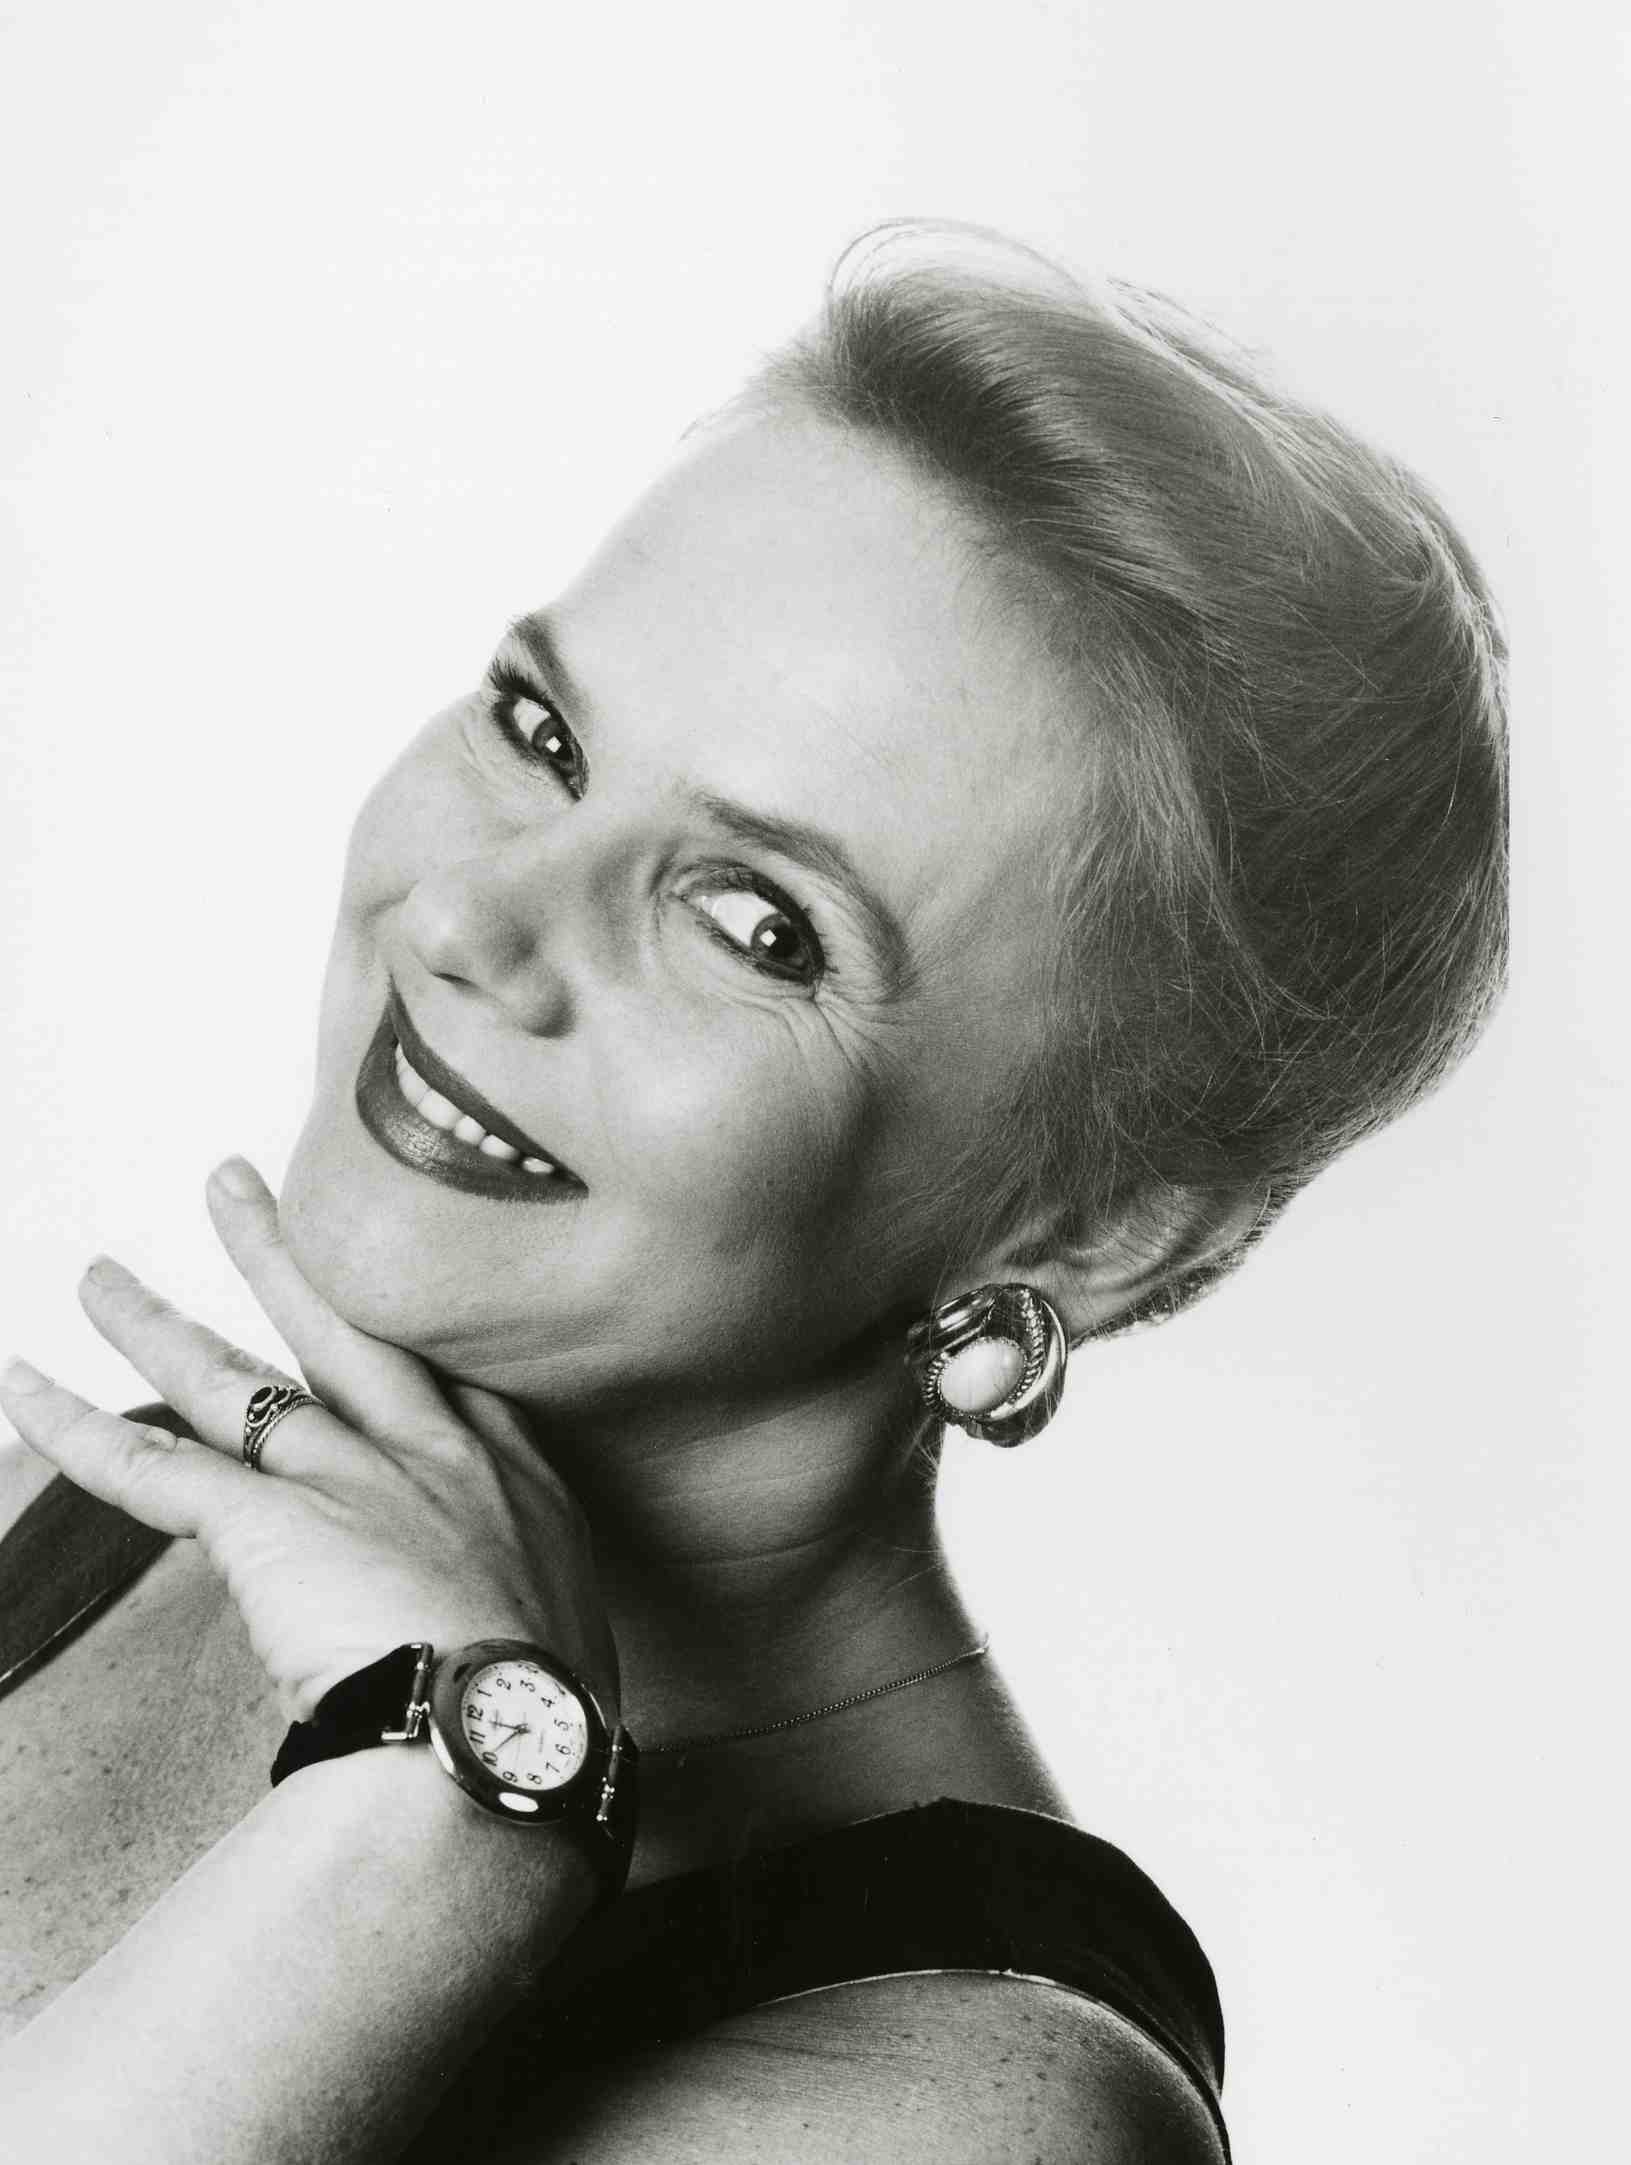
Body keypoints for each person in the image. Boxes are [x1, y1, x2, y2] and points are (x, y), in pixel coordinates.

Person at [0, 225, 1506, 2162]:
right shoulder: (84, 1518)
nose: (467, 921)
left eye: (753, 922)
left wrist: (444, 1803)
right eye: (543, 734)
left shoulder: (975, 2120)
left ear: (1082, 1232)